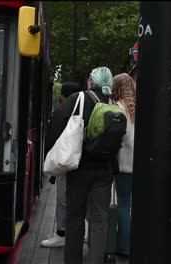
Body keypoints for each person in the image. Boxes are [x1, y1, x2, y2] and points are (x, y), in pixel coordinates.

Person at [45, 66, 115, 264]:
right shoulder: (112, 103)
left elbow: (57, 122)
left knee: (74, 218)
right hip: (105, 170)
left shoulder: (79, 98)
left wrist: (52, 151)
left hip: (79, 169)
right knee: (99, 219)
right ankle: (96, 260)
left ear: (91, 82)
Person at [41, 81, 84, 247]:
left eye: (61, 94)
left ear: (64, 96)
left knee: (62, 198)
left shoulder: (63, 111)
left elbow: (52, 137)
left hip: (65, 162)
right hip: (81, 162)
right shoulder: (85, 108)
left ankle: (61, 233)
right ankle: (71, 232)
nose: (58, 97)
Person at [110, 73, 135, 258]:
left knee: (124, 206)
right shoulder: (140, 108)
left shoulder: (117, 109)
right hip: (140, 165)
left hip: (123, 165)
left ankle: (123, 247)